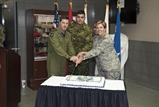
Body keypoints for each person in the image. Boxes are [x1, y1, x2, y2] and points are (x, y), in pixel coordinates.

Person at [67, 10, 93, 75]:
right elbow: (66, 41)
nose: (80, 19)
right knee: (71, 78)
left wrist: (81, 53)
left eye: (82, 17)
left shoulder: (87, 29)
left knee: (83, 80)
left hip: (83, 60)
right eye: (78, 17)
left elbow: (89, 44)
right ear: (76, 18)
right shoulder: (70, 27)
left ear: (84, 18)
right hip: (72, 58)